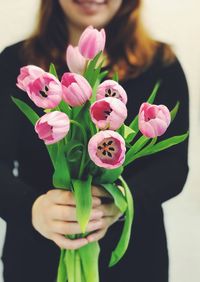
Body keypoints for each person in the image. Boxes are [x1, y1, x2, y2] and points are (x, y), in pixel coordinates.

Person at [0, 0, 189, 281]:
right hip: (35, 256)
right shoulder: (16, 61)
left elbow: (173, 167)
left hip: (135, 262)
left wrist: (121, 202)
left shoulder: (161, 64)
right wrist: (31, 209)